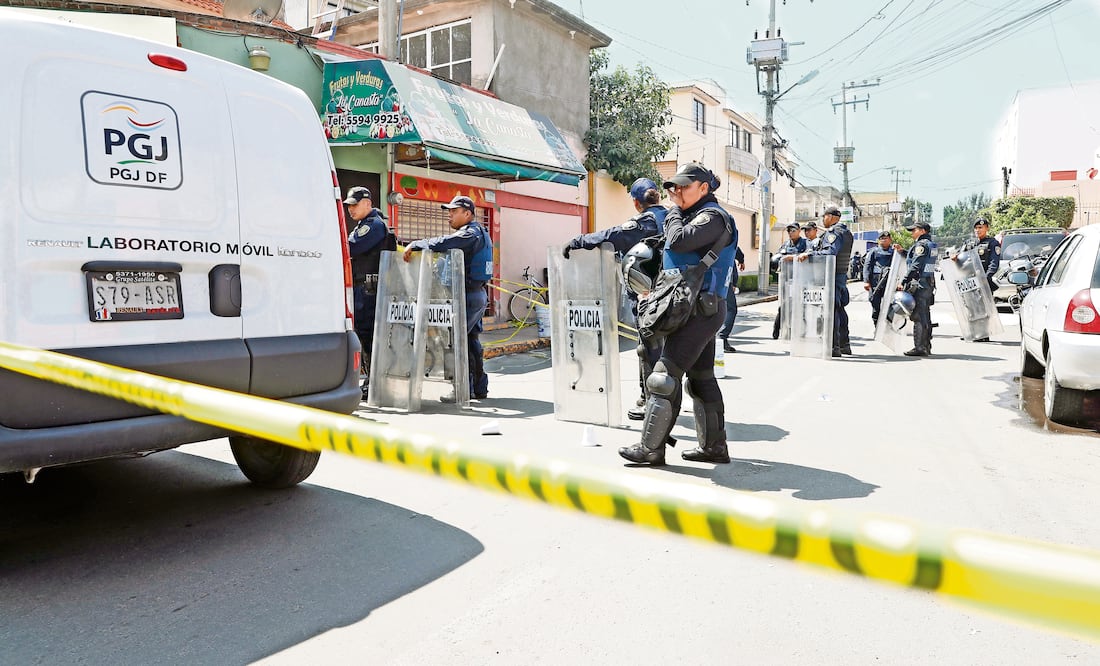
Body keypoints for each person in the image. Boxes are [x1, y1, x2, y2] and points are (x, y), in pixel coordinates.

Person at [619, 163, 737, 466]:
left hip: (700, 309)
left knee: (662, 377)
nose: (677, 192)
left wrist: (670, 212)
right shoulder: (691, 215)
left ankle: (650, 449)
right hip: (693, 306)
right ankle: (714, 447)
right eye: (675, 187)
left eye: (684, 186)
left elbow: (680, 240)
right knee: (700, 378)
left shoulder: (713, 217)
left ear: (703, 187)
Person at [563, 177, 666, 421]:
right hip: (674, 293)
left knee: (649, 349)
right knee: (667, 349)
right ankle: (662, 398)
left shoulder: (647, 222)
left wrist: (579, 241)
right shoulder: (673, 217)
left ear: (636, 202)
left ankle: (652, 400)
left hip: (649, 295)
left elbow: (613, 235)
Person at [403, 195, 493, 401]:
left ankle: (462, 389)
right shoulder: (477, 232)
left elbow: (446, 242)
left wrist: (418, 244)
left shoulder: (471, 233)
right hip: (474, 293)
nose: (449, 216)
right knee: (470, 341)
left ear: (467, 213)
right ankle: (478, 388)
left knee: (455, 342)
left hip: (468, 295)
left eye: (454, 211)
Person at [345, 186, 395, 399]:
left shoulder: (373, 225)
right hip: (362, 289)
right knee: (364, 337)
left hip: (369, 290)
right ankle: (372, 382)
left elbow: (351, 249)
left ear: (367, 203)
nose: (350, 209)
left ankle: (375, 384)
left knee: (369, 337)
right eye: (349, 206)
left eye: (354, 205)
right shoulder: (362, 225)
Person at [798, 206, 853, 357]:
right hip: (840, 276)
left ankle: (833, 346)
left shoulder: (833, 232)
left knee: (831, 311)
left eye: (824, 217)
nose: (823, 220)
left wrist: (810, 254)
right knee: (840, 310)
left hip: (832, 276)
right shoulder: (847, 232)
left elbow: (830, 252)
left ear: (830, 216)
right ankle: (844, 345)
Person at [899, 220, 937, 357]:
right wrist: (903, 251)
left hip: (920, 284)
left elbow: (916, 265)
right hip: (928, 283)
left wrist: (904, 281)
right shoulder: (931, 244)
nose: (912, 233)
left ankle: (920, 347)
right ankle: (927, 345)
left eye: (914, 230)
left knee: (918, 316)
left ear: (922, 231)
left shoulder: (921, 245)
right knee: (925, 315)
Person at [960, 217, 1000, 342]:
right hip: (970, 281)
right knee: (970, 306)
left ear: (987, 228)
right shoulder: (969, 243)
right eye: (976, 228)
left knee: (983, 308)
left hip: (983, 281)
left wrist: (985, 279)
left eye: (981, 228)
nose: (978, 230)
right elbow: (961, 259)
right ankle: (972, 332)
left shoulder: (992, 243)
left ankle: (983, 333)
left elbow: (994, 263)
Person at [770, 223, 807, 339]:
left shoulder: (805, 244)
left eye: (793, 230)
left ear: (799, 231)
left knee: (802, 307)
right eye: (789, 231)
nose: (791, 233)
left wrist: (794, 257)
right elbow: (777, 258)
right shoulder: (785, 245)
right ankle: (777, 329)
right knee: (784, 306)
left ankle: (801, 331)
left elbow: (810, 257)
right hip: (787, 280)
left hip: (801, 280)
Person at [863, 230, 897, 325]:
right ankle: (877, 326)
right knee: (875, 306)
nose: (884, 240)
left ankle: (888, 326)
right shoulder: (873, 252)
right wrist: (866, 281)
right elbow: (867, 266)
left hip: (889, 282)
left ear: (890, 240)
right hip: (875, 283)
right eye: (882, 239)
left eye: (886, 239)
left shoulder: (895, 252)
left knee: (890, 306)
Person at [717, 246, 746, 353]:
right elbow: (736, 250)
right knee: (730, 309)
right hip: (723, 277)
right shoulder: (727, 233)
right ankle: (722, 337)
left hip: (704, 276)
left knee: (710, 308)